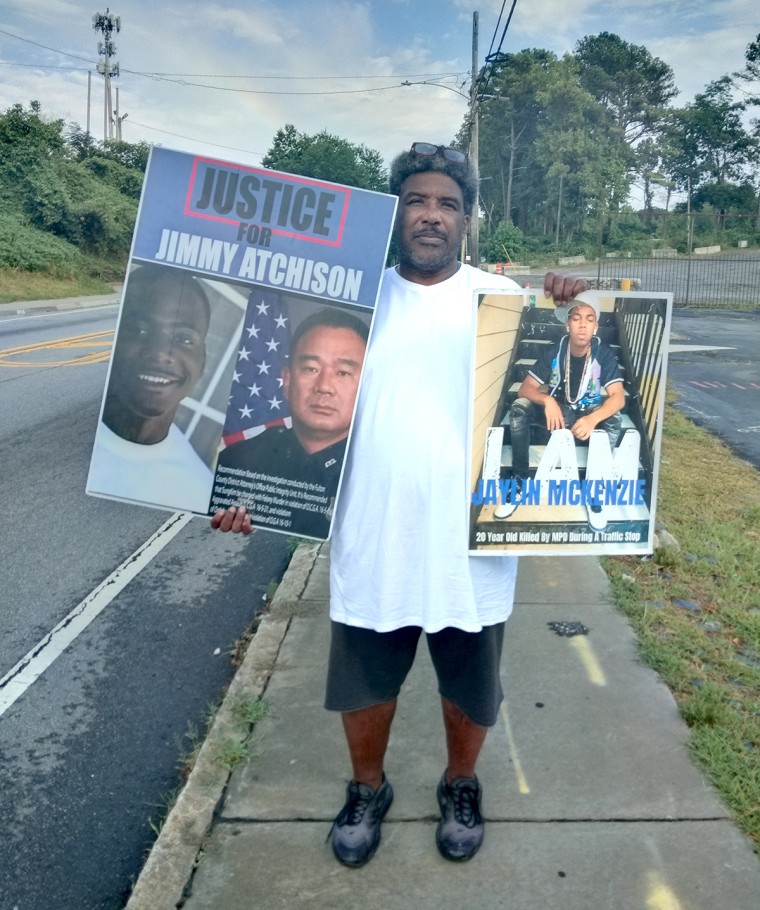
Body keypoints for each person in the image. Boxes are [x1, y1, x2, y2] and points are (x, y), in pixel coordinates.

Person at [211, 142, 587, 866]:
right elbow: (301, 412)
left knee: (471, 684)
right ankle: (367, 788)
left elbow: (565, 391)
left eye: (448, 203)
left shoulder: (504, 302)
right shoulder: (353, 298)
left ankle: (462, 783)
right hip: (371, 533)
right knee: (365, 682)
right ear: (395, 212)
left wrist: (571, 307)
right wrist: (249, 499)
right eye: (417, 200)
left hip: (473, 542)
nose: (431, 215)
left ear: (467, 220)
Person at [212, 308, 368, 538]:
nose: (324, 386)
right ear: (287, 380)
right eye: (311, 369)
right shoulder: (238, 461)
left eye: (343, 373)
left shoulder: (375, 476)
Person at [88, 263, 214, 514]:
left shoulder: (199, 487)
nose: (160, 354)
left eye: (184, 339)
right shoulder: (71, 443)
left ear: (202, 363)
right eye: (139, 330)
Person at [495, 295, 625, 522]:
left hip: (586, 413)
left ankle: (595, 490)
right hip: (558, 413)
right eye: (576, 319)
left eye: (589, 319)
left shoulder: (603, 354)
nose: (582, 324)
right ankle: (519, 482)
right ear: (568, 325)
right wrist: (548, 401)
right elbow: (526, 389)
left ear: (595, 327)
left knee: (614, 418)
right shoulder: (555, 351)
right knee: (519, 407)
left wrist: (593, 419)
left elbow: (618, 397)